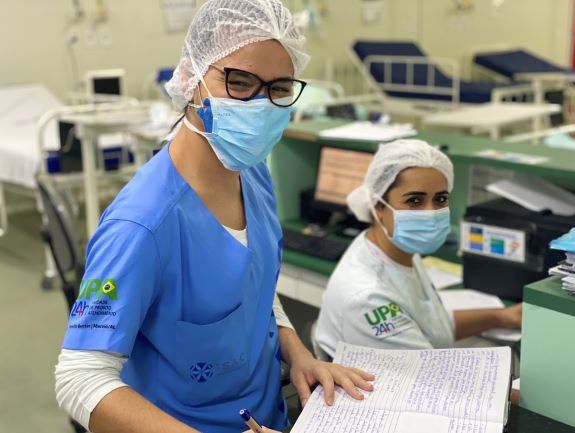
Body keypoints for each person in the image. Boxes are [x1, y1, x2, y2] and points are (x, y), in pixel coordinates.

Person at [54, 1, 373, 432]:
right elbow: (79, 378)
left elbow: (252, 285)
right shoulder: (141, 225)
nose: (260, 105)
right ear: (190, 78)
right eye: (240, 82)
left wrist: (299, 354)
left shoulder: (252, 173)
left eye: (278, 88)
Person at [316, 140, 522, 359]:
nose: (431, 213)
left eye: (440, 199)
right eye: (414, 201)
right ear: (378, 206)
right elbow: (429, 377)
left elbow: (434, 328)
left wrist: (502, 317)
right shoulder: (368, 298)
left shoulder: (395, 250)